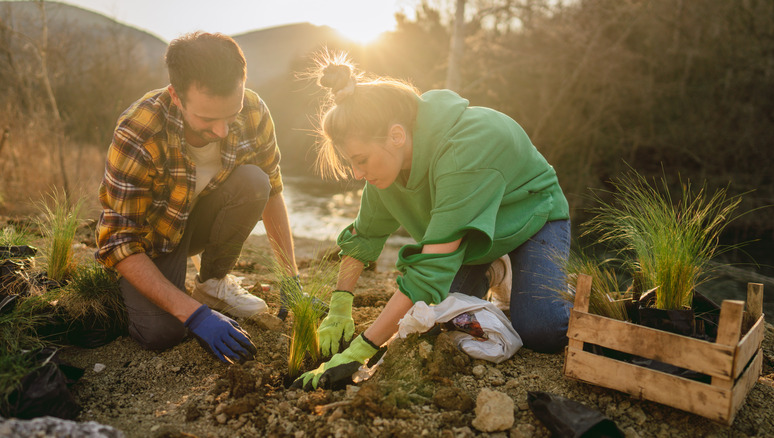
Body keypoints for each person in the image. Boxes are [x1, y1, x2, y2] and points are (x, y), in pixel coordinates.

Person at [293, 54, 571, 390]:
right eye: (352, 163)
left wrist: (362, 349)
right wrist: (339, 306)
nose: (357, 174)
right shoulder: (385, 172)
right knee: (434, 323)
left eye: (361, 160)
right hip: (469, 240)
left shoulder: (464, 150)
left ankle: (547, 284)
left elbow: (428, 273)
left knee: (541, 332)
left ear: (396, 135)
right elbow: (363, 237)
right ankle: (496, 267)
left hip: (532, 219)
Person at [95, 32, 301, 363]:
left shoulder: (253, 111)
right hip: (153, 241)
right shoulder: (139, 130)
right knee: (162, 334)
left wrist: (290, 278)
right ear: (176, 96)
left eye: (230, 114)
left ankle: (213, 284)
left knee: (255, 180)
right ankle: (142, 298)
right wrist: (194, 316)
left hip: (201, 220)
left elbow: (273, 193)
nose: (221, 131)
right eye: (207, 119)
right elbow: (118, 243)